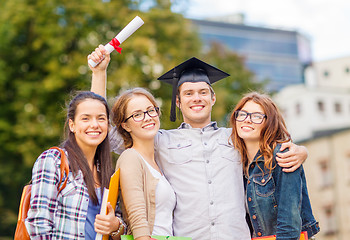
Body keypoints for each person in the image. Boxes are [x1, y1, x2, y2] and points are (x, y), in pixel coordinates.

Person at [88, 46, 308, 240]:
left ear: (213, 98)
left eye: (203, 92)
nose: (197, 98)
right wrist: (99, 73)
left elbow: (269, 146)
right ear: (178, 102)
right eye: (189, 93)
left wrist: (300, 151)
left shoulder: (236, 137)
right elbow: (105, 132)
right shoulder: (160, 142)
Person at [25, 91, 125, 240]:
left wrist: (116, 226)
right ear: (72, 125)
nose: (94, 124)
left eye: (101, 118)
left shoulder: (109, 174)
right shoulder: (54, 160)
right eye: (85, 118)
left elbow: (120, 226)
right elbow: (39, 224)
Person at [230, 92, 320, 239]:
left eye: (257, 116)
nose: (247, 120)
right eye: (243, 114)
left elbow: (289, 226)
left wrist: (304, 151)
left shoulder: (283, 156)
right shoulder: (235, 162)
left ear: (269, 123)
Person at [112, 88, 176, 240]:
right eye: (137, 115)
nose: (147, 118)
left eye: (150, 110)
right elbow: (137, 216)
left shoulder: (157, 164)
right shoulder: (130, 158)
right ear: (125, 126)